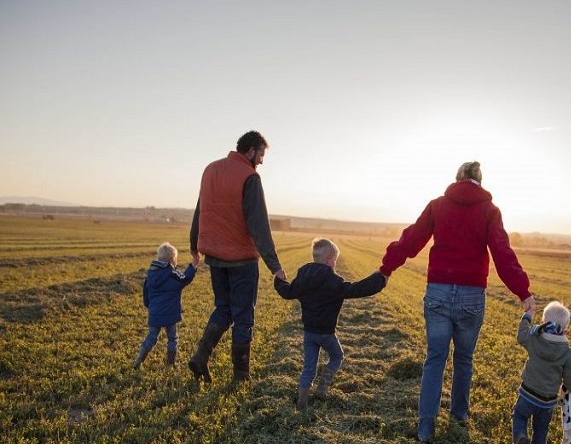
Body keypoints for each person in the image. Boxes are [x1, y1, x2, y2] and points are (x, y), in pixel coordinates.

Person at [379, 161, 535, 442]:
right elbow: (502, 252)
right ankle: (459, 417)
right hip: (471, 296)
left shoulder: (438, 205)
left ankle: (425, 427)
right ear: (479, 180)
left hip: (438, 291)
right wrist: (523, 291)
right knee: (464, 359)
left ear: (458, 178)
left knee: (435, 359)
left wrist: (387, 267)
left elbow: (412, 240)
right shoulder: (490, 211)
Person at [188, 131, 286, 384]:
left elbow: (201, 209)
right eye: (261, 154)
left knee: (223, 308)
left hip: (215, 257)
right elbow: (259, 225)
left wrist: (193, 246)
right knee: (243, 316)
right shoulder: (250, 177)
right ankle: (241, 377)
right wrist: (275, 266)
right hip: (242, 259)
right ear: (251, 150)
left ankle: (201, 356)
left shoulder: (211, 169)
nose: (262, 161)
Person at [274, 238, 387, 409]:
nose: (335, 263)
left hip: (309, 333)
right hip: (326, 333)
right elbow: (356, 289)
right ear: (329, 259)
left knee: (309, 367)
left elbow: (287, 292)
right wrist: (379, 279)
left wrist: (279, 280)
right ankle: (322, 388)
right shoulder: (333, 281)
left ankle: (302, 400)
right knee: (337, 356)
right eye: (335, 260)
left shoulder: (303, 276)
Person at [512, 300, 571, 444]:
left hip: (527, 394)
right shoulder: (568, 353)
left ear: (543, 322)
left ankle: (520, 436)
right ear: (566, 329)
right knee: (541, 429)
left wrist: (527, 317)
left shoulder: (534, 338)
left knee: (519, 416)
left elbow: (521, 336)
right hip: (547, 401)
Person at [134, 242, 199, 369]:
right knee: (172, 339)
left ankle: (138, 361)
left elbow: (146, 295)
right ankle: (170, 363)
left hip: (155, 313)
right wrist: (193, 265)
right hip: (170, 314)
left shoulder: (150, 275)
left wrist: (151, 308)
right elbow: (185, 278)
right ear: (171, 260)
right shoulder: (172, 274)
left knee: (151, 338)